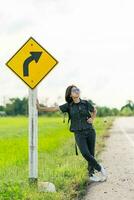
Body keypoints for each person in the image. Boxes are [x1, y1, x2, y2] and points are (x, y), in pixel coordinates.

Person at [36, 85, 107, 182]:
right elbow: (54, 109)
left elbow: (94, 110)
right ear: (70, 94)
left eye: (78, 89)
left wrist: (92, 118)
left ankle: (91, 174)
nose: (77, 91)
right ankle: (100, 168)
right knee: (85, 153)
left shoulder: (85, 103)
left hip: (90, 131)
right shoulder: (68, 106)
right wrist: (40, 108)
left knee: (91, 154)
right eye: (74, 90)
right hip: (78, 133)